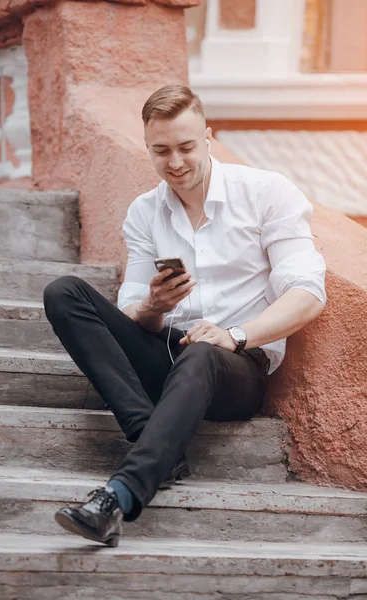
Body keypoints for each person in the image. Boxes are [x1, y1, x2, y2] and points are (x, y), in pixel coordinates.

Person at [43, 84, 326, 546]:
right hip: (167, 352)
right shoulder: (144, 212)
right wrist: (156, 307)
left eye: (186, 147)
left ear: (208, 137)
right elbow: (133, 313)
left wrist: (233, 335)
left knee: (202, 354)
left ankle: (120, 495)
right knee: (64, 292)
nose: (175, 162)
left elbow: (308, 296)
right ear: (148, 148)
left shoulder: (267, 193)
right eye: (162, 150)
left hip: (236, 366)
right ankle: (148, 433)